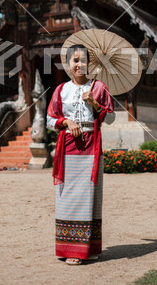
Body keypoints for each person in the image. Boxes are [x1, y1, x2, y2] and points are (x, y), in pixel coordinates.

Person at [46, 44, 115, 265]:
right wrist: (66, 121)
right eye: (74, 60)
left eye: (83, 60)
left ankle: (88, 248)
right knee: (67, 197)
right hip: (68, 147)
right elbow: (49, 119)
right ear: (68, 64)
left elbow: (111, 118)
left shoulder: (99, 88)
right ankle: (70, 249)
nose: (79, 64)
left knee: (90, 198)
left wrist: (94, 103)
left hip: (91, 146)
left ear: (89, 63)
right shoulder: (60, 90)